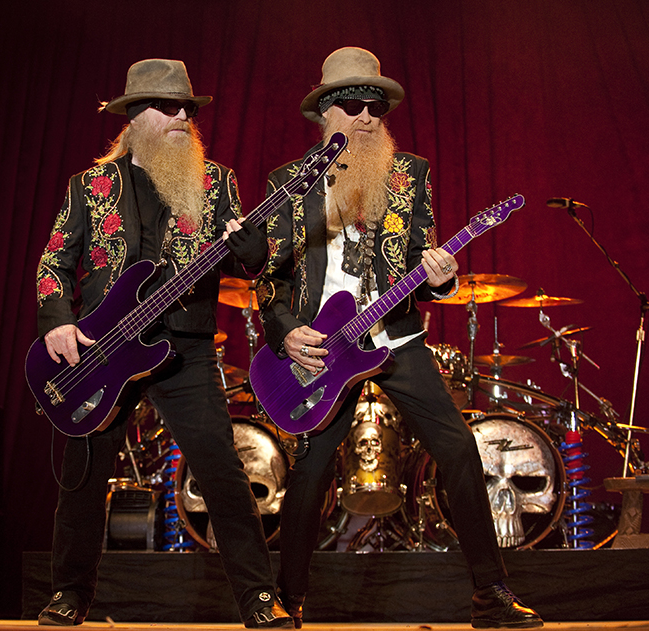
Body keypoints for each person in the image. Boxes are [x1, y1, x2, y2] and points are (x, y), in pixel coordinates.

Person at [255, 47, 543, 629]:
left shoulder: (410, 175)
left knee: (461, 451)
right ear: (325, 113)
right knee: (310, 472)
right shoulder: (288, 184)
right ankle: (289, 598)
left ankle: (492, 596)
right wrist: (286, 333)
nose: (367, 117)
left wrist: (442, 279)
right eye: (354, 105)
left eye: (376, 108)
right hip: (323, 350)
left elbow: (419, 262)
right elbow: (269, 281)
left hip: (396, 339)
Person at [34, 58, 293, 629]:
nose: (181, 117)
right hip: (102, 352)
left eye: (188, 109)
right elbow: (54, 262)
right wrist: (57, 320)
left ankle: (257, 597)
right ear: (134, 117)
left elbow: (255, 263)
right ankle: (69, 595)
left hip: (185, 349)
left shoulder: (215, 182)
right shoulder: (90, 187)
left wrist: (250, 245)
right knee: (83, 475)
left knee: (222, 472)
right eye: (167, 107)